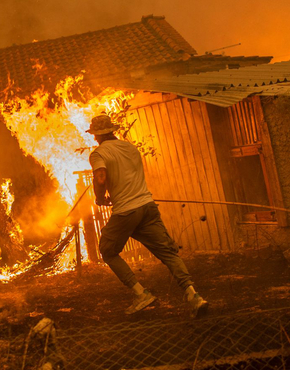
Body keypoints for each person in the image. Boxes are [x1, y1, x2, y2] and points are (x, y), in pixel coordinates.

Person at [87, 114, 208, 318]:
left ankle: (141, 294)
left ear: (97, 135)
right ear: (112, 130)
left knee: (107, 250)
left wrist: (100, 198)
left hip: (126, 212)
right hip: (147, 207)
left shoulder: (98, 153)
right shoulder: (130, 148)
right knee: (168, 253)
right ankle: (194, 296)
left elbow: (100, 177)